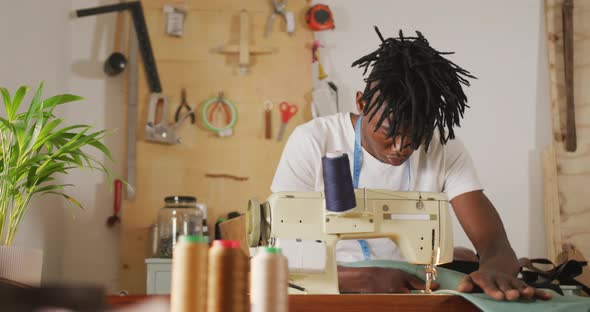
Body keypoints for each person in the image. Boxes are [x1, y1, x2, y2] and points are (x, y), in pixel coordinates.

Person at [271, 27, 552, 301]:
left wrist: (493, 270)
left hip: (411, 283)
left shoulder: (442, 147)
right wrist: (361, 278)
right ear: (361, 103)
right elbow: (282, 257)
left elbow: (495, 244)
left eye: (416, 134)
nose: (402, 147)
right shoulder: (312, 142)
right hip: (331, 287)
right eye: (390, 132)